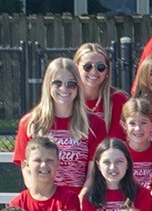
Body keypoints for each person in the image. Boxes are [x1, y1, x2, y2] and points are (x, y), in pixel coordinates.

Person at [14, 59, 96, 191]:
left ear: (78, 87)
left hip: (78, 202)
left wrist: (78, 202)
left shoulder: (93, 124)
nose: (64, 88)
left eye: (71, 84)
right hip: (43, 200)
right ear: (48, 85)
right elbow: (27, 172)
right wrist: (45, 200)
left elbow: (92, 176)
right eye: (57, 83)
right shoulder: (30, 123)